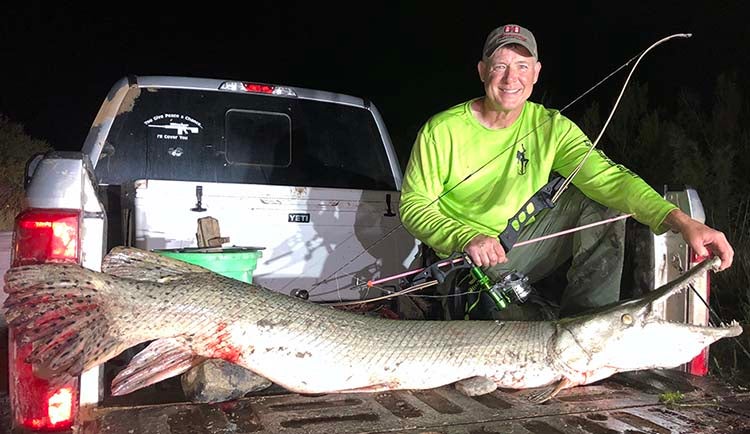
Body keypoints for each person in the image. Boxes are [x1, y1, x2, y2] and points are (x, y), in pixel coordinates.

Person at [399, 23, 734, 321]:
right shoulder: (441, 130)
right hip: (466, 259)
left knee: (603, 202)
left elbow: (610, 180)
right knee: (508, 328)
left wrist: (683, 222)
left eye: (521, 66)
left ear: (536, 72)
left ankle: (585, 328)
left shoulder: (551, 127)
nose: (510, 78)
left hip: (520, 245)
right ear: (483, 70)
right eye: (499, 66)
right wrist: (467, 237)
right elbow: (414, 206)